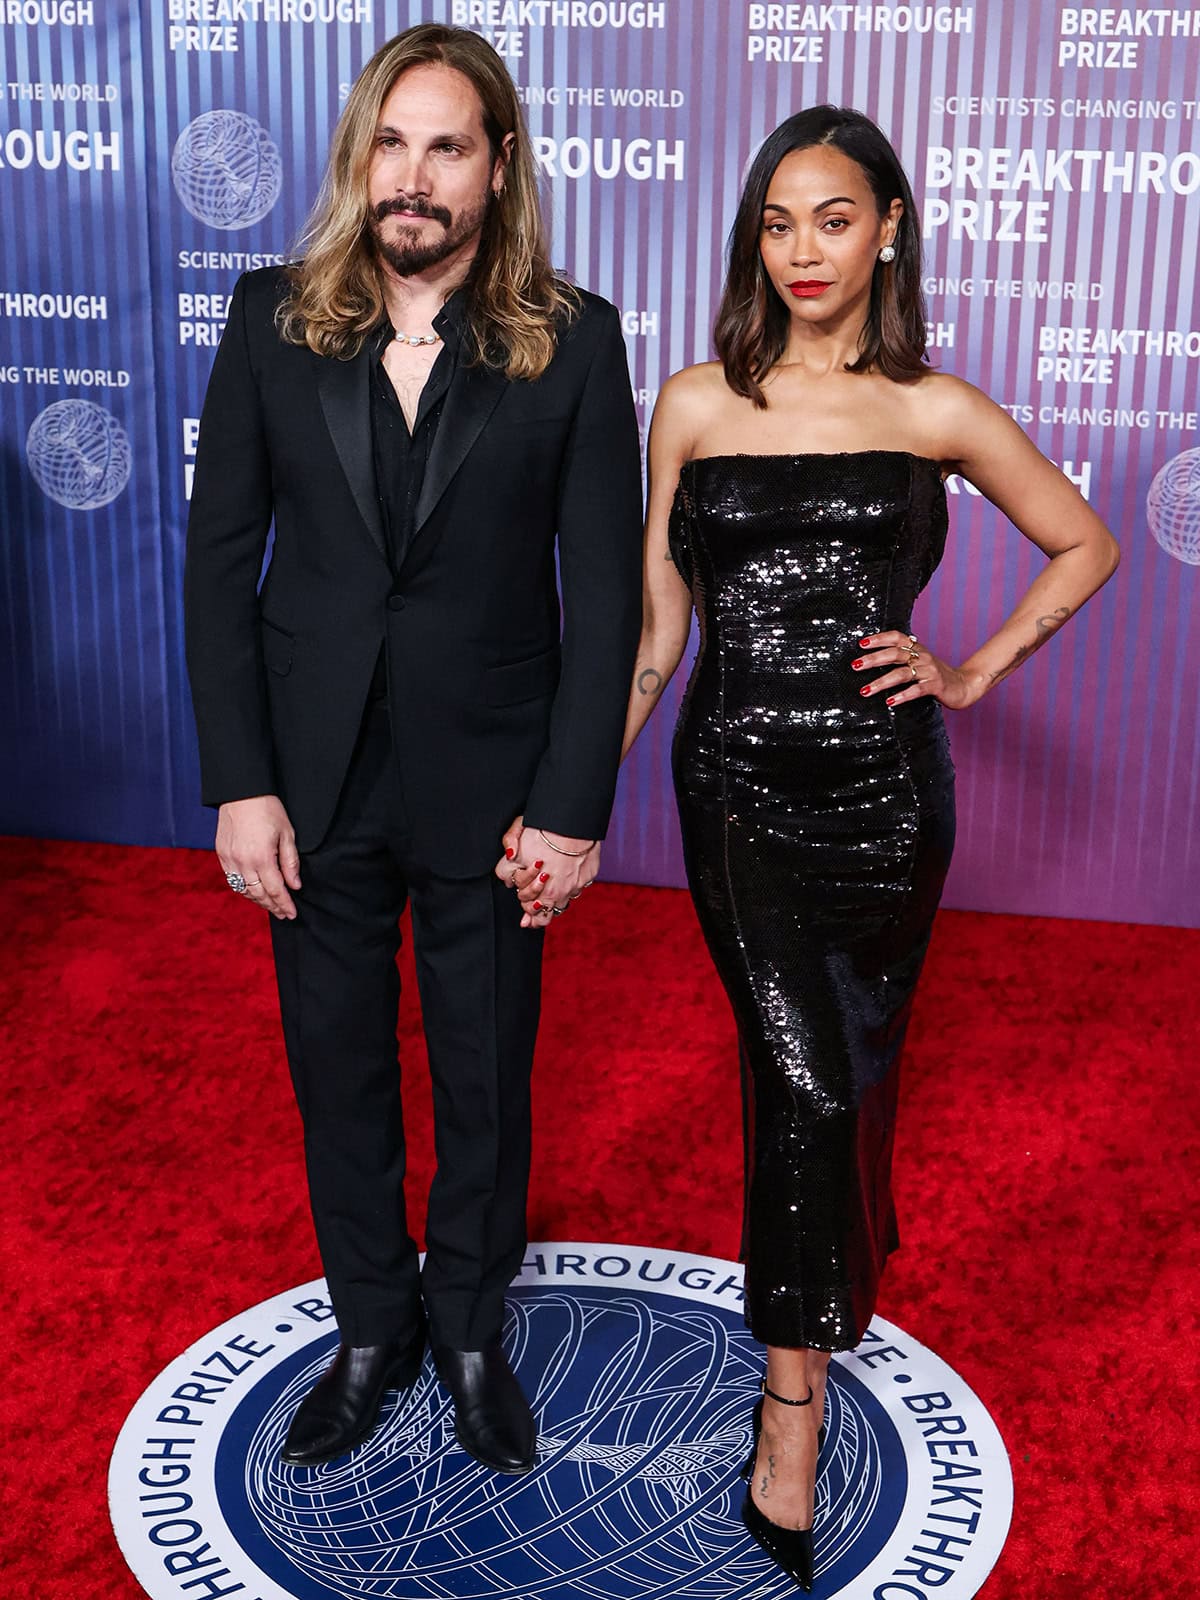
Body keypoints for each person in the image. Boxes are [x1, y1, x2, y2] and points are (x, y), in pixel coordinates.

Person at [584, 106, 1119, 1589]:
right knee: (804, 1071)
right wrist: (577, 799)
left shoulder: (940, 411)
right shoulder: (692, 402)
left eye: (831, 217)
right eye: (776, 220)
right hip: (740, 784)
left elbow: (1084, 538)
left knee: (853, 1062)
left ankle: (843, 1266)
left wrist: (972, 667)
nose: (802, 248)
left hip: (890, 796)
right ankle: (792, 1407)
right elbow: (654, 634)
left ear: (887, 225)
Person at [184, 23, 642, 1475]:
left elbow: (610, 587)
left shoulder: (574, 338)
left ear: (497, 168)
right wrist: (241, 782)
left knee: (485, 1070)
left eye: (447, 145)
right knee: (338, 1072)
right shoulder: (269, 319)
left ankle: (466, 1332)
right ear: (357, 157)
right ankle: (371, 1328)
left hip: (496, 778)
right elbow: (218, 568)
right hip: (311, 779)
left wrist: (572, 808)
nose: (414, 174)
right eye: (392, 142)